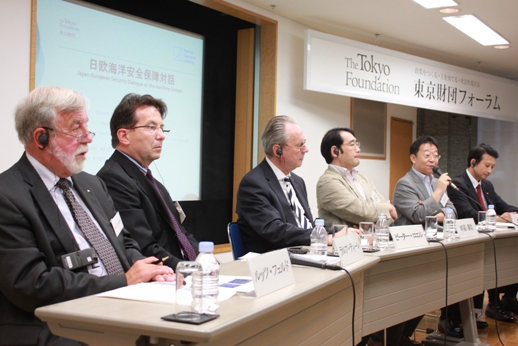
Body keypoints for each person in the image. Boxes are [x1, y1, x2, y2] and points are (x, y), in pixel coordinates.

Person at [0, 86, 175, 345]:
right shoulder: (8, 196)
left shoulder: (91, 184)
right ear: (41, 138)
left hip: (121, 308)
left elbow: (124, 242)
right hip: (56, 325)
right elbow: (32, 285)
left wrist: (151, 270)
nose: (88, 137)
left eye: (87, 126)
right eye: (75, 128)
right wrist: (123, 281)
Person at [97, 93, 199, 271]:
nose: (161, 136)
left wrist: (205, 263)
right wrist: (192, 271)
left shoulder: (152, 182)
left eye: (162, 128)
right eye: (151, 127)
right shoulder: (113, 179)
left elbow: (181, 233)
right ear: (124, 136)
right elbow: (144, 247)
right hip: (159, 280)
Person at [236, 116, 353, 254]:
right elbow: (275, 231)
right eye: (299, 145)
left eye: (304, 143)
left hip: (307, 253)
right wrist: (324, 238)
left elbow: (305, 225)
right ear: (277, 150)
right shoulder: (253, 184)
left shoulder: (297, 181)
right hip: (278, 262)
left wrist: (338, 231)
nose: (306, 149)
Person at [447, 143, 518, 323]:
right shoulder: (457, 184)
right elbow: (467, 214)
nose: (490, 171)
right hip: (470, 242)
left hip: (491, 239)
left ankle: (504, 301)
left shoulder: (486, 185)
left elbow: (503, 207)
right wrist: (496, 218)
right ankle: (475, 312)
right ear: (473, 162)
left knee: (510, 256)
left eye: (493, 167)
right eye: (487, 166)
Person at [316, 127, 397, 227]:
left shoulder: (363, 179)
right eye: (352, 144)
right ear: (335, 151)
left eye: (357, 144)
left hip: (374, 241)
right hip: (346, 241)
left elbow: (390, 216)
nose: (358, 149)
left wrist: (375, 223)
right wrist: (386, 209)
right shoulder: (327, 182)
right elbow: (361, 211)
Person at [393, 136, 455, 226]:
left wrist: (432, 215)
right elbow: (419, 215)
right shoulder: (405, 184)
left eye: (436, 156)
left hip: (439, 235)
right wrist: (438, 191)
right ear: (413, 158)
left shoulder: (436, 182)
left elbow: (452, 211)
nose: (432, 160)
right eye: (427, 155)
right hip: (415, 237)